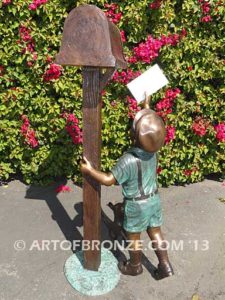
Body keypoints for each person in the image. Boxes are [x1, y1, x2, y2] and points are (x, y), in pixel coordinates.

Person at [80, 94, 174, 278]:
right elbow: (150, 132)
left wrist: (89, 170)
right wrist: (147, 105)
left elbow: (108, 179)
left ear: (134, 136)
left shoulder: (128, 160)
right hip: (153, 200)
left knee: (134, 236)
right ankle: (165, 265)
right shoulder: (153, 153)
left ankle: (135, 265)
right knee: (155, 231)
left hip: (136, 205)